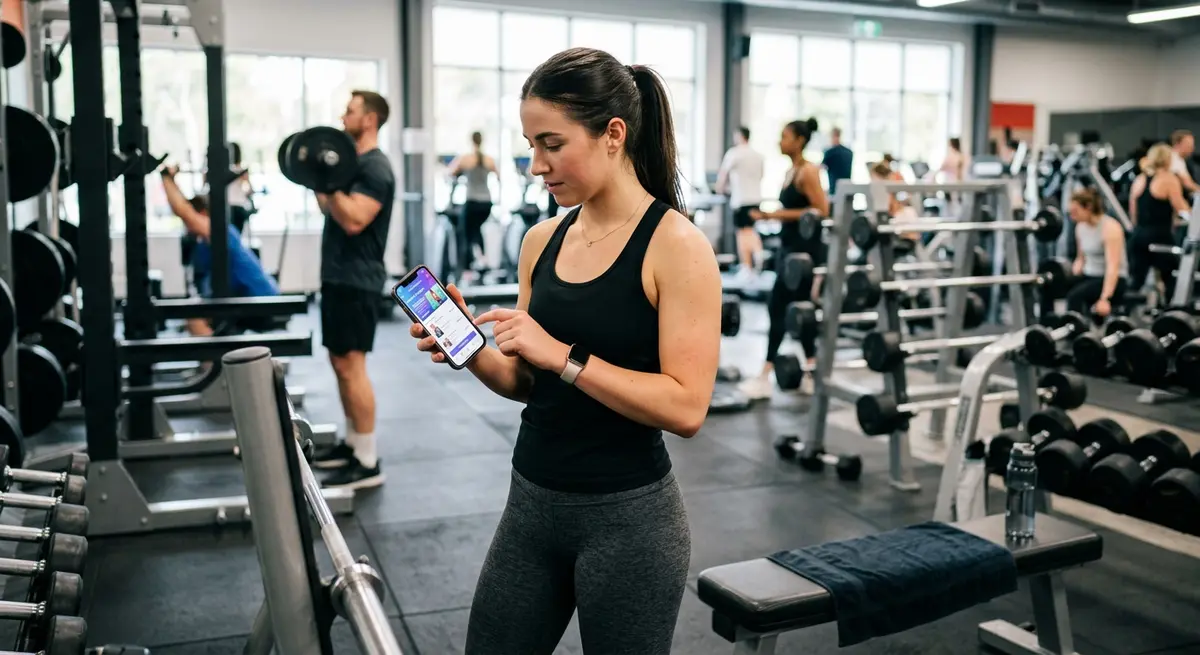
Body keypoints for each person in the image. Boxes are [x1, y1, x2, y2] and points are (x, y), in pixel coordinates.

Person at [407, 48, 719, 654]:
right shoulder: (541, 240)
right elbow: (526, 381)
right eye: (529, 144)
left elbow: (687, 408)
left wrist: (563, 357)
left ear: (613, 135)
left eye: (551, 144)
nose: (534, 165)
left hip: (630, 523)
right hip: (531, 504)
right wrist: (469, 348)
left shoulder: (676, 246)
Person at [311, 90, 396, 490]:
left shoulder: (375, 168)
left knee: (353, 366)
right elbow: (328, 206)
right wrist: (320, 178)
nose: (342, 115)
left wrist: (327, 183)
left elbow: (354, 220)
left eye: (350, 110)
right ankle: (351, 443)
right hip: (337, 276)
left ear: (370, 120)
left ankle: (367, 460)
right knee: (340, 363)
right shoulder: (352, 166)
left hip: (358, 280)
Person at [737, 118, 829, 401]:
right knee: (795, 312)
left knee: (780, 308)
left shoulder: (808, 171)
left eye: (785, 136)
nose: (780, 141)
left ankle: (765, 375)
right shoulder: (792, 171)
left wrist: (772, 215)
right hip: (789, 249)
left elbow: (821, 211)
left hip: (803, 254)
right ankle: (812, 372)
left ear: (799, 140)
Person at [159, 165, 280, 338]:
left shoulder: (220, 231)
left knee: (195, 318)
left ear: (202, 213)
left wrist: (165, 177)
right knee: (197, 312)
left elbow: (185, 212)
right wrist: (172, 181)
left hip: (261, 302)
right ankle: (216, 361)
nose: (187, 226)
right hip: (241, 299)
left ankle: (214, 363)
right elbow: (184, 208)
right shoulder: (206, 239)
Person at [1129, 143, 1191, 302]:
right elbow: (1182, 208)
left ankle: (1125, 316)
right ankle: (1172, 315)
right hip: (1160, 236)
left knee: (1136, 282)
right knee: (1172, 279)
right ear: (1168, 159)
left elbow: (1133, 214)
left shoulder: (1140, 179)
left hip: (1139, 236)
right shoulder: (1169, 179)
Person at [1065, 188, 1127, 320]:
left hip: (1112, 279)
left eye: (1075, 212)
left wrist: (1105, 298)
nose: (1072, 217)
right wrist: (1075, 269)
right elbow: (1080, 258)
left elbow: (1113, 267)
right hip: (1090, 275)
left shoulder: (1110, 228)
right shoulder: (1080, 227)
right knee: (1053, 286)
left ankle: (1076, 336)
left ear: (1088, 207)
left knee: (1075, 297)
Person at [447, 131, 498, 283]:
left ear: (471, 140)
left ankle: (468, 269)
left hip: (472, 201)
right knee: (476, 230)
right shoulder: (489, 159)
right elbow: (499, 177)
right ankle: (482, 259)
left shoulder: (466, 158)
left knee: (466, 234)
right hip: (486, 203)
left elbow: (450, 173)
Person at [714, 126, 764, 279]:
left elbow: (723, 174)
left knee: (743, 233)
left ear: (739, 136)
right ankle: (751, 262)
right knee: (749, 229)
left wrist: (719, 188)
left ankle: (752, 260)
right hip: (755, 198)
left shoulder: (734, 153)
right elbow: (761, 176)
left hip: (741, 199)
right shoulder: (758, 155)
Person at [822, 127, 853, 196]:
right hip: (848, 189)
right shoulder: (849, 152)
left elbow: (822, 167)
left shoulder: (829, 152)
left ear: (832, 136)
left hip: (834, 189)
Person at [1168, 129, 1198, 195]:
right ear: (1177, 144)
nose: (1192, 148)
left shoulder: (1180, 159)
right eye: (1189, 144)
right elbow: (1187, 184)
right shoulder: (1172, 159)